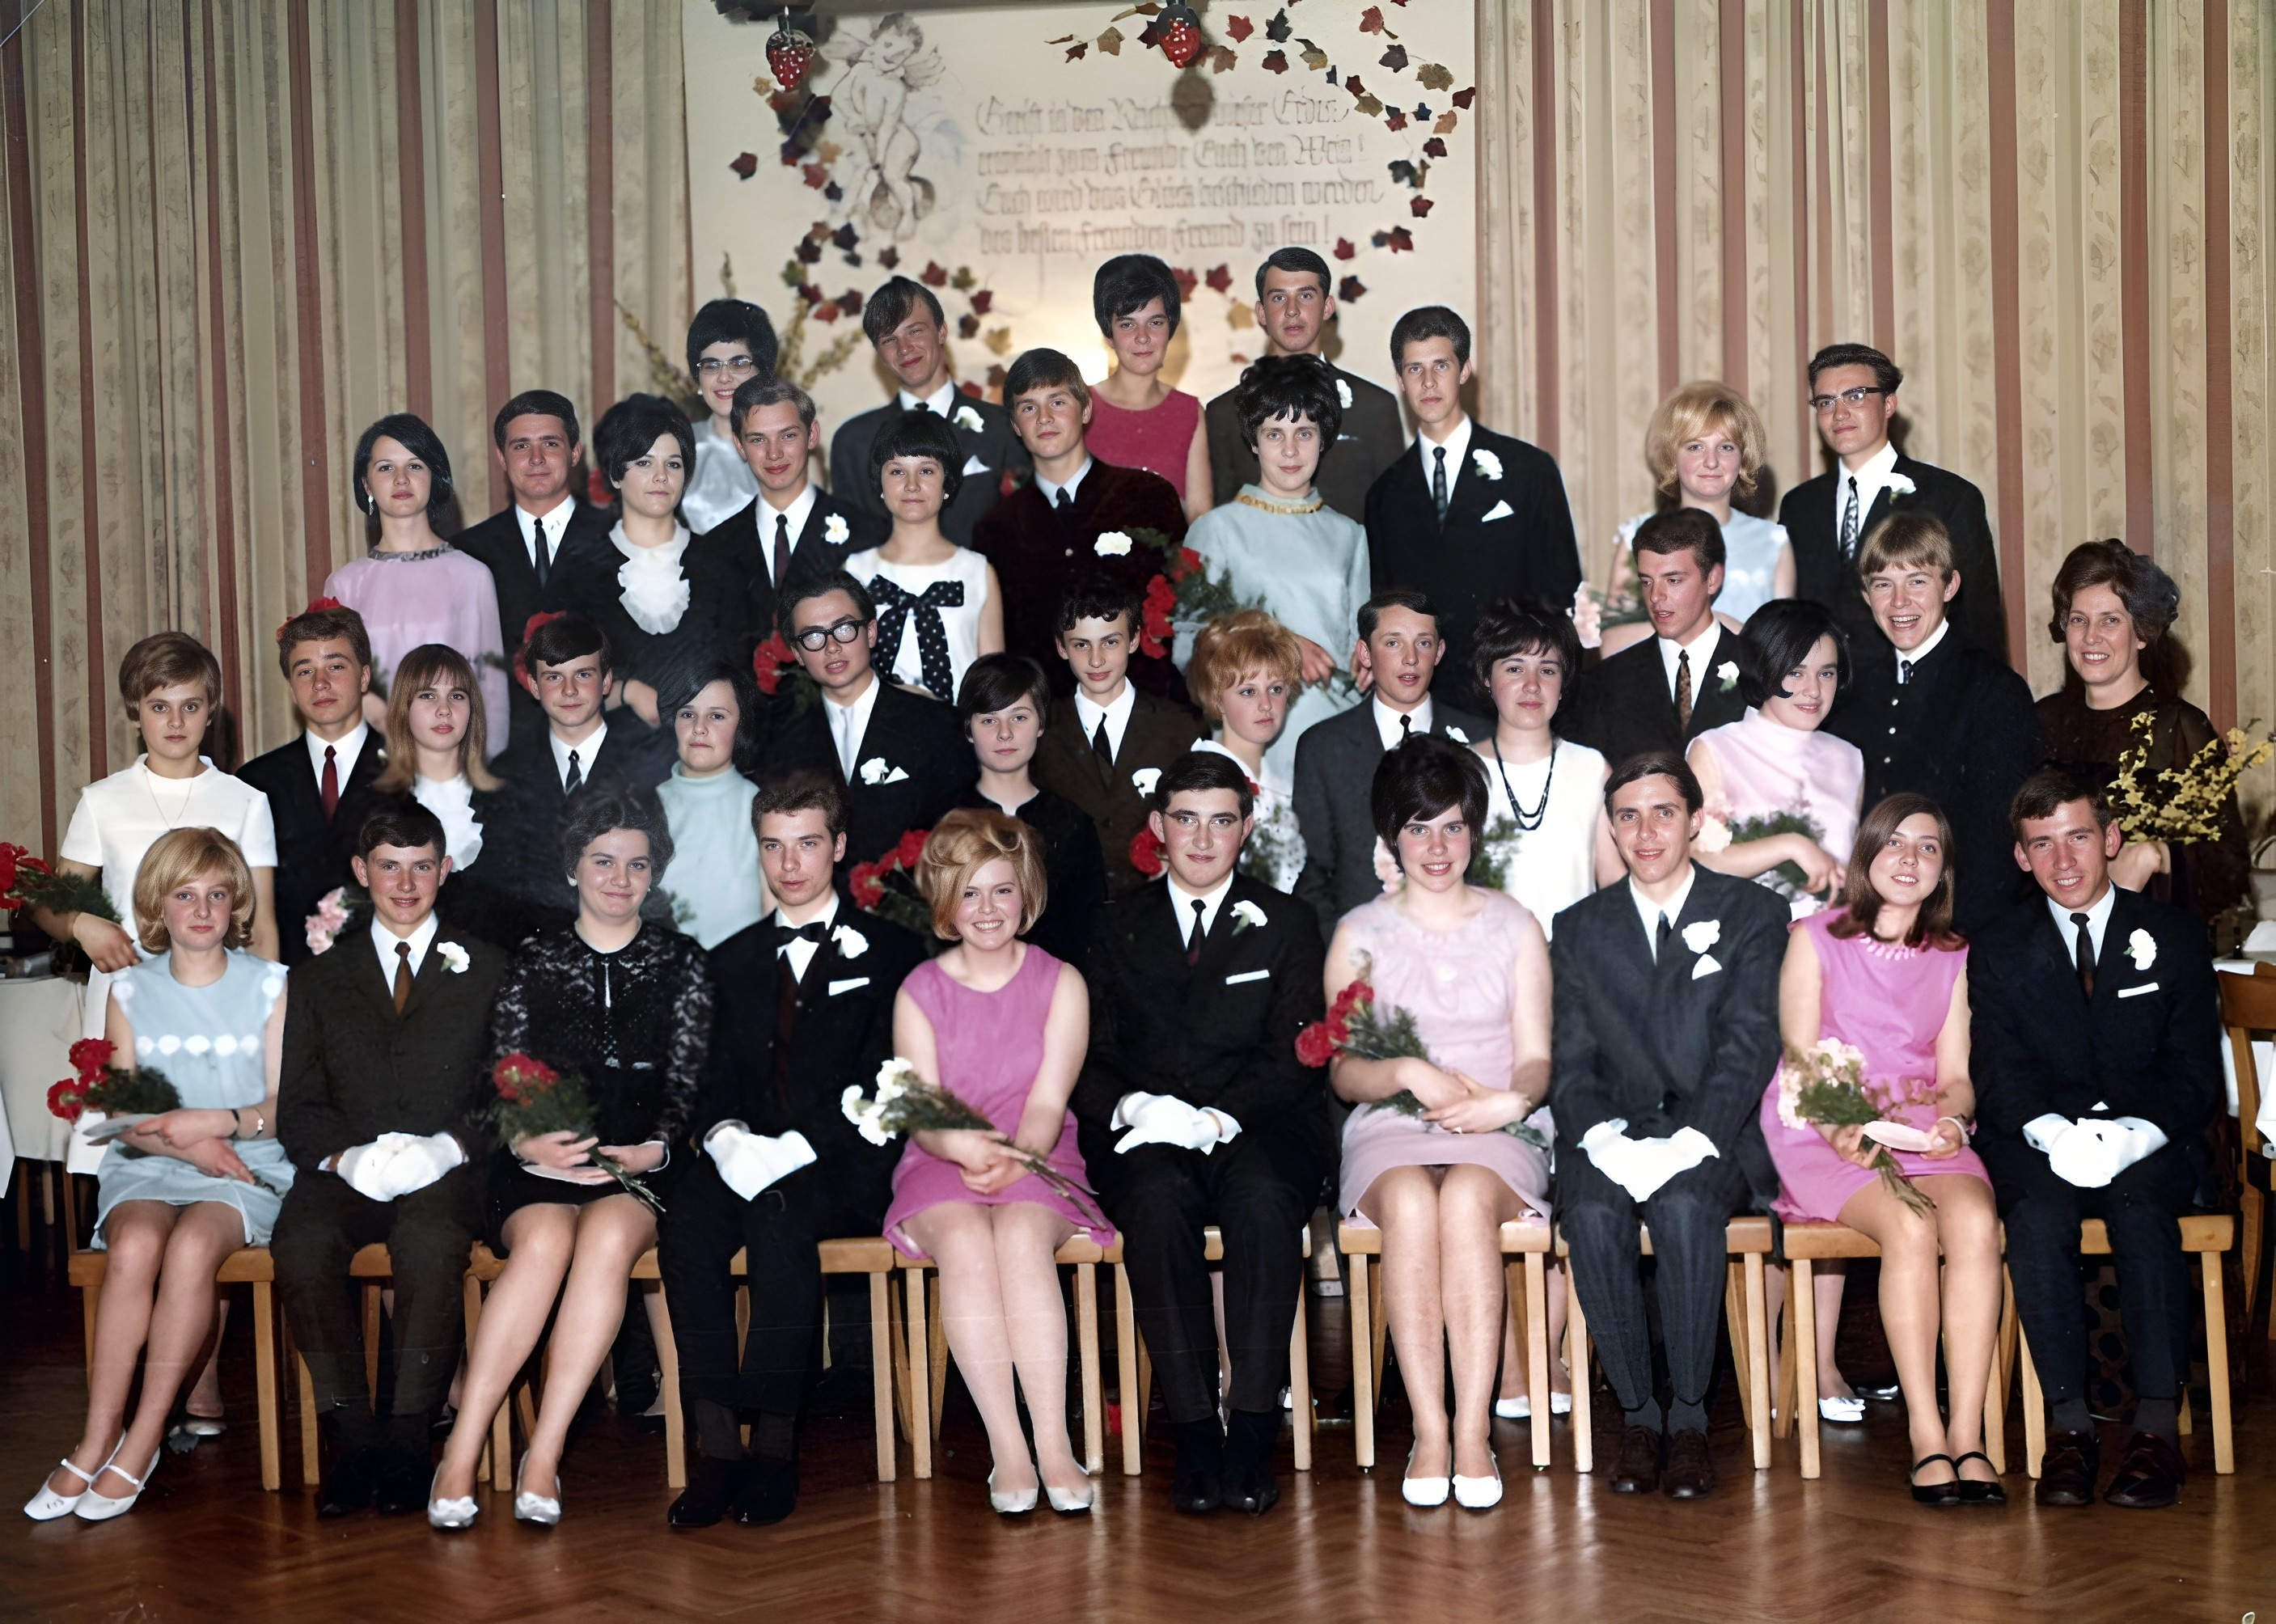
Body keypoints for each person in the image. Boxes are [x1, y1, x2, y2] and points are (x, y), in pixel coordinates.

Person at [425, 788, 708, 1528]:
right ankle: (461, 1450)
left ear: (656, 873)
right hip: (537, 1163)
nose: (620, 878)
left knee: (609, 1237)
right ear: (573, 869)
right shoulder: (534, 961)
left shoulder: (683, 962)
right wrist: (525, 1139)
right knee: (547, 1240)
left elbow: (690, 1082)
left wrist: (654, 1146)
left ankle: (543, 1453)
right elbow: (500, 1075)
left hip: (640, 1166)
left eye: (638, 864)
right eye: (603, 861)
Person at [660, 772, 928, 1528]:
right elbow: (705, 1081)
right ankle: (718, 1449)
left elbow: (895, 1080)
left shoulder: (893, 951)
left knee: (778, 1217)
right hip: (748, 1154)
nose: (790, 863)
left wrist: (803, 1145)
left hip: (847, 1162)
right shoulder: (728, 959)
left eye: (808, 843)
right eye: (774, 846)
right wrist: (724, 1136)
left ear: (839, 847)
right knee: (686, 1224)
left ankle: (775, 1447)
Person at [1075, 751, 1330, 1515]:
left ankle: (1253, 1428)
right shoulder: (1112, 927)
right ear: (1158, 827)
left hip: (1259, 1122)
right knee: (1153, 1202)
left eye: (1222, 819)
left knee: (1260, 1200)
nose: (1203, 837)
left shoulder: (1287, 922)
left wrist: (1220, 1118)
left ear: (1246, 829)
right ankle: (1193, 1429)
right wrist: (1134, 1110)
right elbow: (1081, 1054)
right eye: (1186, 818)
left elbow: (1298, 1050)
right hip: (1149, 1128)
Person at [1969, 768, 2222, 1510]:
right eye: (2041, 844)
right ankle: (2068, 1431)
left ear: (2111, 839)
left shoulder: (2170, 934)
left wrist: (2133, 1136)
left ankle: (2154, 1431)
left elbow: (2196, 1070)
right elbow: (1997, 1067)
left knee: (2143, 1211)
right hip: (2042, 1139)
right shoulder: (1999, 946)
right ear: (2021, 857)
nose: (2065, 861)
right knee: (2037, 1218)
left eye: (2079, 837)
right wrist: (2051, 1132)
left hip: (2150, 1139)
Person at [23, 830, 290, 1523]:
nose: (200, 910)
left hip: (243, 1167)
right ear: (158, 905)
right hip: (148, 1161)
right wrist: (185, 1147)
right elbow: (120, 1109)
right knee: (137, 1245)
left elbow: (280, 1103)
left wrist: (218, 1126)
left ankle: (141, 1441)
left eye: (216, 894)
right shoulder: (131, 988)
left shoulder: (271, 984)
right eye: (184, 895)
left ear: (235, 906)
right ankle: (94, 1438)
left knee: (195, 1247)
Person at [1325, 737, 1554, 1511]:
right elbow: (1344, 1070)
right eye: (1418, 828)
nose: (1436, 847)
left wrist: (1508, 1104)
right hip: (1389, 1124)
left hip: (1497, 1123)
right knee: (1416, 1202)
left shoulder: (1515, 924)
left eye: (1453, 827)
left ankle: (1471, 1432)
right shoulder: (1359, 932)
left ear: (1476, 834)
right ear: (1392, 836)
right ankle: (1428, 1429)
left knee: (1462, 1199)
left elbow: (1535, 1061)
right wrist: (1405, 1074)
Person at [1550, 752, 1785, 1500]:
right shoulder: (1579, 926)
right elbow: (1572, 1058)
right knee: (1587, 1212)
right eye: (1628, 815)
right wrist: (1600, 1137)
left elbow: (1750, 1042)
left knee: (1686, 1207)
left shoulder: (1751, 913)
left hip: (1714, 1130)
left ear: (1694, 820)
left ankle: (1688, 1419)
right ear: (1611, 829)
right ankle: (1638, 1415)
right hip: (1612, 1128)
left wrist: (1694, 1138)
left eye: (1663, 813)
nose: (1646, 832)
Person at [1762, 795, 2005, 1502]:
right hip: (1825, 1125)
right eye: (1895, 843)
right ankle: (1926, 1435)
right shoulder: (1814, 935)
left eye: (1928, 848)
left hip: (1921, 1124)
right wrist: (1845, 1126)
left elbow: (1956, 1078)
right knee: (1911, 1222)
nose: (1909, 859)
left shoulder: (1953, 954)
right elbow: (1802, 1058)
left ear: (1943, 870)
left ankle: (1968, 1435)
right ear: (1867, 853)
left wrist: (1954, 1126)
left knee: (1974, 1224)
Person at [271, 804, 509, 1518]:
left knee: (431, 1241)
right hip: (354, 1166)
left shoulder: (489, 967)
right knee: (301, 1243)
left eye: (421, 865)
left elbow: (510, 1089)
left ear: (445, 869)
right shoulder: (318, 978)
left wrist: (450, 1147)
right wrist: (345, 1160)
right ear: (360, 873)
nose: (405, 883)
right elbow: (300, 1106)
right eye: (388, 865)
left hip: (449, 1169)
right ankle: (358, 1438)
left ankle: (409, 1441)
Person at [882, 810, 1108, 1514]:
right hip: (940, 1156)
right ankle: (1007, 1448)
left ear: (1026, 895)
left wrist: (1015, 1159)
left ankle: (1053, 1443)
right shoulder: (919, 989)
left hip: (1039, 1155)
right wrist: (962, 1148)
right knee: (968, 1246)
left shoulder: (1061, 981)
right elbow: (921, 1107)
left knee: (1016, 1237)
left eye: (1002, 891)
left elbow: (1046, 1103)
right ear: (946, 902)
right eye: (970, 892)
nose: (987, 909)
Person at [40, 634, 279, 1038]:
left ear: (209, 713)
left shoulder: (247, 802)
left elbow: (262, 931)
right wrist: (81, 924)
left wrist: (264, 1023)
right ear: (136, 713)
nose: (175, 722)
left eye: (190, 706)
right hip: (124, 998)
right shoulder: (102, 801)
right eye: (159, 707)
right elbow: (50, 907)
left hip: (218, 1003)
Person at [1827, 513, 2041, 934]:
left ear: (1950, 586)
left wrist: (1935, 935)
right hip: (1864, 922)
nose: (1900, 602)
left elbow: (1995, 848)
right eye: (1883, 584)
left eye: (1918, 581)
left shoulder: (1994, 690)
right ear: (1866, 596)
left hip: (1955, 930)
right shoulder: (1852, 688)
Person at [1364, 307, 1581, 714]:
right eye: (1414, 369)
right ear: (1399, 380)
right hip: (1425, 704)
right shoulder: (1384, 494)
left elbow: (1559, 595)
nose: (1428, 383)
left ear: (1465, 370)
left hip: (1513, 698)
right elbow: (1386, 608)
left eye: (1441, 365)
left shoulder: (1528, 470)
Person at [2036, 539, 2247, 933]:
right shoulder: (2041, 721)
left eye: (2111, 620)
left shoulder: (2180, 727)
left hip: (2149, 946)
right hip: (2054, 947)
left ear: (2142, 633)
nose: (2091, 637)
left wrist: (2162, 856)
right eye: (2079, 620)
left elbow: (2230, 866)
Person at [1181, 356, 1370, 781]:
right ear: (1253, 440)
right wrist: (1277, 643)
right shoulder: (1217, 530)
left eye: (1304, 433)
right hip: (1254, 739)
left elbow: (1357, 643)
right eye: (1274, 434)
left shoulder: (1349, 535)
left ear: (1324, 439)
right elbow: (1187, 649)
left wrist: (1369, 655)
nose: (1289, 451)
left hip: (1335, 735)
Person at [968, 347, 1189, 702]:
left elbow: (1185, 608)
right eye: (1028, 407)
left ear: (1085, 408)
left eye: (1057, 402)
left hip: (1151, 712)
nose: (1044, 418)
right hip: (1048, 727)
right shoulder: (996, 530)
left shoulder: (1149, 497)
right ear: (1015, 426)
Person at [1780, 342, 2005, 658]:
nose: (1839, 413)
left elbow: (1979, 623)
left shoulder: (1951, 497)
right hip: (1822, 698)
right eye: (1826, 401)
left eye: (1856, 396)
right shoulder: (1799, 505)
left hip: (1919, 695)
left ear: (1888, 404)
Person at [1291, 590, 1488, 937]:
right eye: (1394, 643)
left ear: (1439, 652)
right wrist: (1340, 959)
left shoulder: (1480, 740)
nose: (1411, 659)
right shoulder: (1323, 746)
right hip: (1359, 953)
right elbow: (1313, 872)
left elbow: (1492, 858)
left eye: (1423, 643)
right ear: (1365, 653)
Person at [764, 572, 975, 870]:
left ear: (871, 631)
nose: (831, 647)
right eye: (813, 637)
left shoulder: (937, 724)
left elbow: (961, 836)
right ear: (797, 653)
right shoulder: (781, 740)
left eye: (845, 628)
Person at [480, 612, 671, 942]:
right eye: (554, 678)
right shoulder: (507, 773)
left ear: (607, 681)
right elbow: (499, 882)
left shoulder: (650, 763)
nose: (569, 690)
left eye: (583, 674)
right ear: (535, 686)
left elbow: (661, 874)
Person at [324, 412, 509, 750]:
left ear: (433, 478)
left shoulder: (472, 576)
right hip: (373, 763)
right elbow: (337, 687)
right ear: (366, 485)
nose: (401, 479)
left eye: (414, 466)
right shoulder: (344, 585)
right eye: (385, 468)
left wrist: (486, 781)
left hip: (454, 763)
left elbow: (491, 692)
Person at [558, 393, 736, 730]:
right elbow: (561, 686)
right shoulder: (580, 571)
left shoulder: (721, 564)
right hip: (613, 762)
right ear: (614, 475)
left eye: (673, 464)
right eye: (643, 462)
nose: (660, 476)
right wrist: (626, 692)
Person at [450, 390, 616, 742]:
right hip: (506, 750)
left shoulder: (620, 540)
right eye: (521, 446)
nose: (536, 458)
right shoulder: (468, 552)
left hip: (609, 746)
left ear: (575, 453)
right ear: (501, 457)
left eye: (551, 444)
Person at [238, 603, 392, 966]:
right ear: (291, 689)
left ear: (365, 677)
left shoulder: (413, 771)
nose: (320, 683)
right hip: (290, 986)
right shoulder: (254, 783)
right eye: (304, 671)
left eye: (336, 667)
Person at [1030, 577, 1205, 896]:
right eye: (1081, 645)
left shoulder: (1179, 728)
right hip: (1066, 913)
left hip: (1153, 911)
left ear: (1135, 639)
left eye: (1110, 642)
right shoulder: (1039, 730)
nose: (1096, 660)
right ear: (1061, 646)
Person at [1687, 599, 1864, 911]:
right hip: (1745, 942)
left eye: (1826, 674)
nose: (1813, 690)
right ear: (1763, 671)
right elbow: (1699, 859)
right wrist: (1791, 845)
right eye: (1796, 673)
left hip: (1831, 943)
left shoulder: (1849, 759)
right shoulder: (1715, 749)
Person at [1204, 248, 1402, 522]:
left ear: (1328, 308)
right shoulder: (1223, 413)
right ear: (1261, 313)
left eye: (1306, 296)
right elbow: (1220, 516)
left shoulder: (1375, 407)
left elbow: (1395, 517)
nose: (1292, 310)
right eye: (1279, 298)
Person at [699, 374, 884, 666]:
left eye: (788, 435)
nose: (774, 454)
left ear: (811, 435)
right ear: (739, 446)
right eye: (758, 439)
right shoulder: (714, 548)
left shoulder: (867, 534)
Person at [829, 277, 1030, 545]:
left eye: (915, 331)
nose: (904, 349)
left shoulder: (1006, 428)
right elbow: (849, 544)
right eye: (889, 340)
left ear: (942, 331)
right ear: (879, 353)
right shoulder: (853, 442)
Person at [1600, 382, 1796, 654]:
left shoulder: (1773, 541)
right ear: (1671, 456)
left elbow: (1785, 650)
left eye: (1726, 447)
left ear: (1743, 458)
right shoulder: (1636, 535)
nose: (1712, 461)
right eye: (1695, 447)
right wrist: (1711, 628)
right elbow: (1611, 646)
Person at [1466, 599, 1619, 933]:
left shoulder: (1592, 768)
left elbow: (1613, 885)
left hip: (1576, 964)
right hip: (1486, 965)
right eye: (1515, 668)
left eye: (1547, 670)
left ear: (1563, 686)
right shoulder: (1461, 771)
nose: (1532, 685)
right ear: (1487, 678)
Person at [1561, 510, 1750, 768]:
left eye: (1673, 580)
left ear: (1713, 579)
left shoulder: (1763, 670)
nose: (1655, 597)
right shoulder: (1605, 683)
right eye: (1647, 582)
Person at [844, 406, 1005, 703]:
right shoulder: (856, 572)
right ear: (880, 482)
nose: (912, 485)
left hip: (959, 737)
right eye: (897, 471)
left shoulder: (978, 573)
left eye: (927, 471)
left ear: (947, 482)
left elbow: (994, 689)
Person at [957, 653, 1106, 966]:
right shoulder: (942, 820)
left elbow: (1090, 936)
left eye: (1019, 717)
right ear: (968, 730)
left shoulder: (1073, 825)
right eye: (988, 720)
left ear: (1041, 723)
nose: (1005, 733)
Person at [367, 643, 503, 938]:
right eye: (428, 696)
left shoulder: (508, 801)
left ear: (472, 709)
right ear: (404, 707)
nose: (444, 710)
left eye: (457, 696)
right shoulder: (370, 804)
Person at [1187, 611, 1309, 893]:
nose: (1266, 704)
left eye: (1276, 689)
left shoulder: (1284, 786)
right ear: (1217, 700)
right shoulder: (1197, 781)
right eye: (1248, 692)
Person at [654, 659, 771, 950]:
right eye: (688, 714)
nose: (699, 728)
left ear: (740, 726)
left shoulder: (762, 808)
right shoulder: (644, 805)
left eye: (717, 716)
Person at [1085, 253, 1212, 514]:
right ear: (1109, 333)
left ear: (1170, 329)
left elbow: (1200, 521)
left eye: (1155, 323)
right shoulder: (1078, 408)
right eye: (1127, 324)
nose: (1143, 338)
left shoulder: (1189, 413)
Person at [680, 298, 777, 534]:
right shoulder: (678, 446)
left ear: (762, 372)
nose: (724, 377)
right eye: (711, 366)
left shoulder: (789, 448)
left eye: (739, 363)